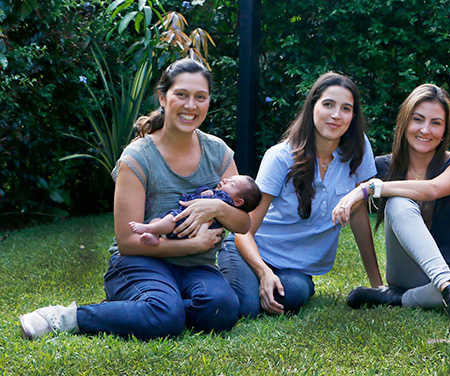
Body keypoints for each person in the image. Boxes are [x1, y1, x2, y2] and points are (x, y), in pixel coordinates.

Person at [19, 58, 251, 340]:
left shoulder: (218, 152)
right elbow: (128, 243)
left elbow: (242, 224)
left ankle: (144, 309)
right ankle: (65, 317)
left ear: (208, 102)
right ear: (162, 98)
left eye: (200, 97)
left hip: (196, 267)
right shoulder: (137, 157)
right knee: (167, 317)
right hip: (139, 262)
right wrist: (192, 244)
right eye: (182, 95)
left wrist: (214, 206)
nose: (191, 106)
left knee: (222, 310)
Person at [334, 84, 450, 333]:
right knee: (400, 201)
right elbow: (358, 215)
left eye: (436, 123)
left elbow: (432, 189)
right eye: (418, 120)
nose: (426, 130)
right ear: (404, 123)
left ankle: (401, 298)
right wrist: (376, 284)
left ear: (445, 130)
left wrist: (370, 188)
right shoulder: (381, 168)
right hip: (411, 273)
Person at [218, 72, 382, 318]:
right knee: (246, 307)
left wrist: (377, 286)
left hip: (295, 268)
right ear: (313, 106)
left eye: (346, 108)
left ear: (353, 116)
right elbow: (245, 231)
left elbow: (358, 216)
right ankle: (224, 278)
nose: (336, 115)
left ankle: (261, 284)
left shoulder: (359, 149)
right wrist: (264, 272)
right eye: (328, 104)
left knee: (291, 296)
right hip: (252, 249)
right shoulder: (281, 156)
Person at [129, 175, 261, 245]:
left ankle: (148, 229)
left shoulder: (224, 199)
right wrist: (204, 190)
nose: (225, 180)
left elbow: (243, 225)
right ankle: (153, 235)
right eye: (229, 179)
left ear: (238, 202)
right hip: (187, 229)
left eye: (231, 183)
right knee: (158, 220)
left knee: (171, 218)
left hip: (188, 222)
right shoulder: (216, 193)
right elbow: (200, 190)